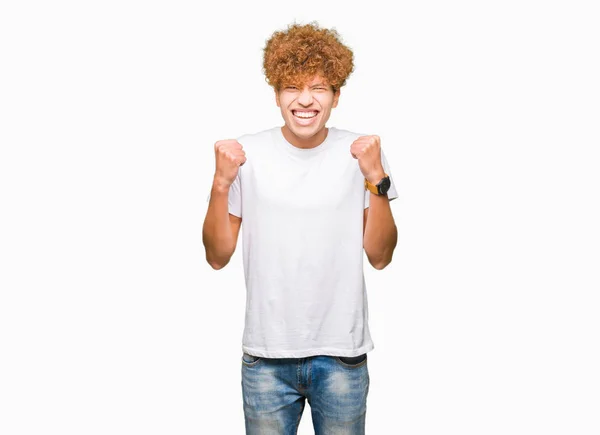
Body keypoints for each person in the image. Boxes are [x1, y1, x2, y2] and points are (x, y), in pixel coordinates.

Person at [203, 21, 398, 435]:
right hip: (266, 358)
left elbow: (381, 256)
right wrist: (220, 184)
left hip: (342, 355)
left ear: (336, 96)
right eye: (292, 87)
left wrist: (377, 180)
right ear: (276, 94)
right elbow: (217, 256)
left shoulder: (362, 155)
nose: (305, 100)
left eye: (319, 88)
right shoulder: (246, 154)